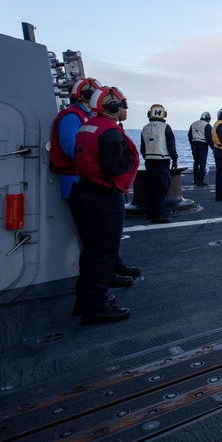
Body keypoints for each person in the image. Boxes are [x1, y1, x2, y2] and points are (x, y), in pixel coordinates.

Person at [49, 77, 139, 292]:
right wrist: (126, 159)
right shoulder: (73, 117)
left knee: (101, 242)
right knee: (97, 242)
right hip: (83, 182)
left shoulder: (89, 120)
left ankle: (110, 272)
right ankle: (97, 295)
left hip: (88, 182)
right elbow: (74, 151)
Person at [73, 86, 139, 325]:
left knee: (91, 251)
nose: (126, 109)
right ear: (111, 107)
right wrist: (132, 158)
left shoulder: (89, 126)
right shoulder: (109, 132)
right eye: (123, 105)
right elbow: (114, 167)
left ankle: (85, 301)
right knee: (104, 253)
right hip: (104, 195)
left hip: (86, 191)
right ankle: (96, 307)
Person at [140, 104, 179, 224]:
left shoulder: (145, 128)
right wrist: (175, 159)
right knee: (162, 188)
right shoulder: (165, 127)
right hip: (162, 160)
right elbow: (171, 145)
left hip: (149, 160)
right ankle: (158, 215)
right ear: (163, 114)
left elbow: (142, 148)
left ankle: (151, 212)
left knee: (151, 187)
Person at [188, 112, 212, 187]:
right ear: (208, 119)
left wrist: (192, 146)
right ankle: (201, 180)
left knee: (196, 162)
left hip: (194, 143)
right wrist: (213, 148)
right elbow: (209, 138)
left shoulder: (193, 124)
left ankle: (195, 179)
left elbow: (189, 136)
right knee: (202, 162)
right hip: (203, 144)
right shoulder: (207, 125)